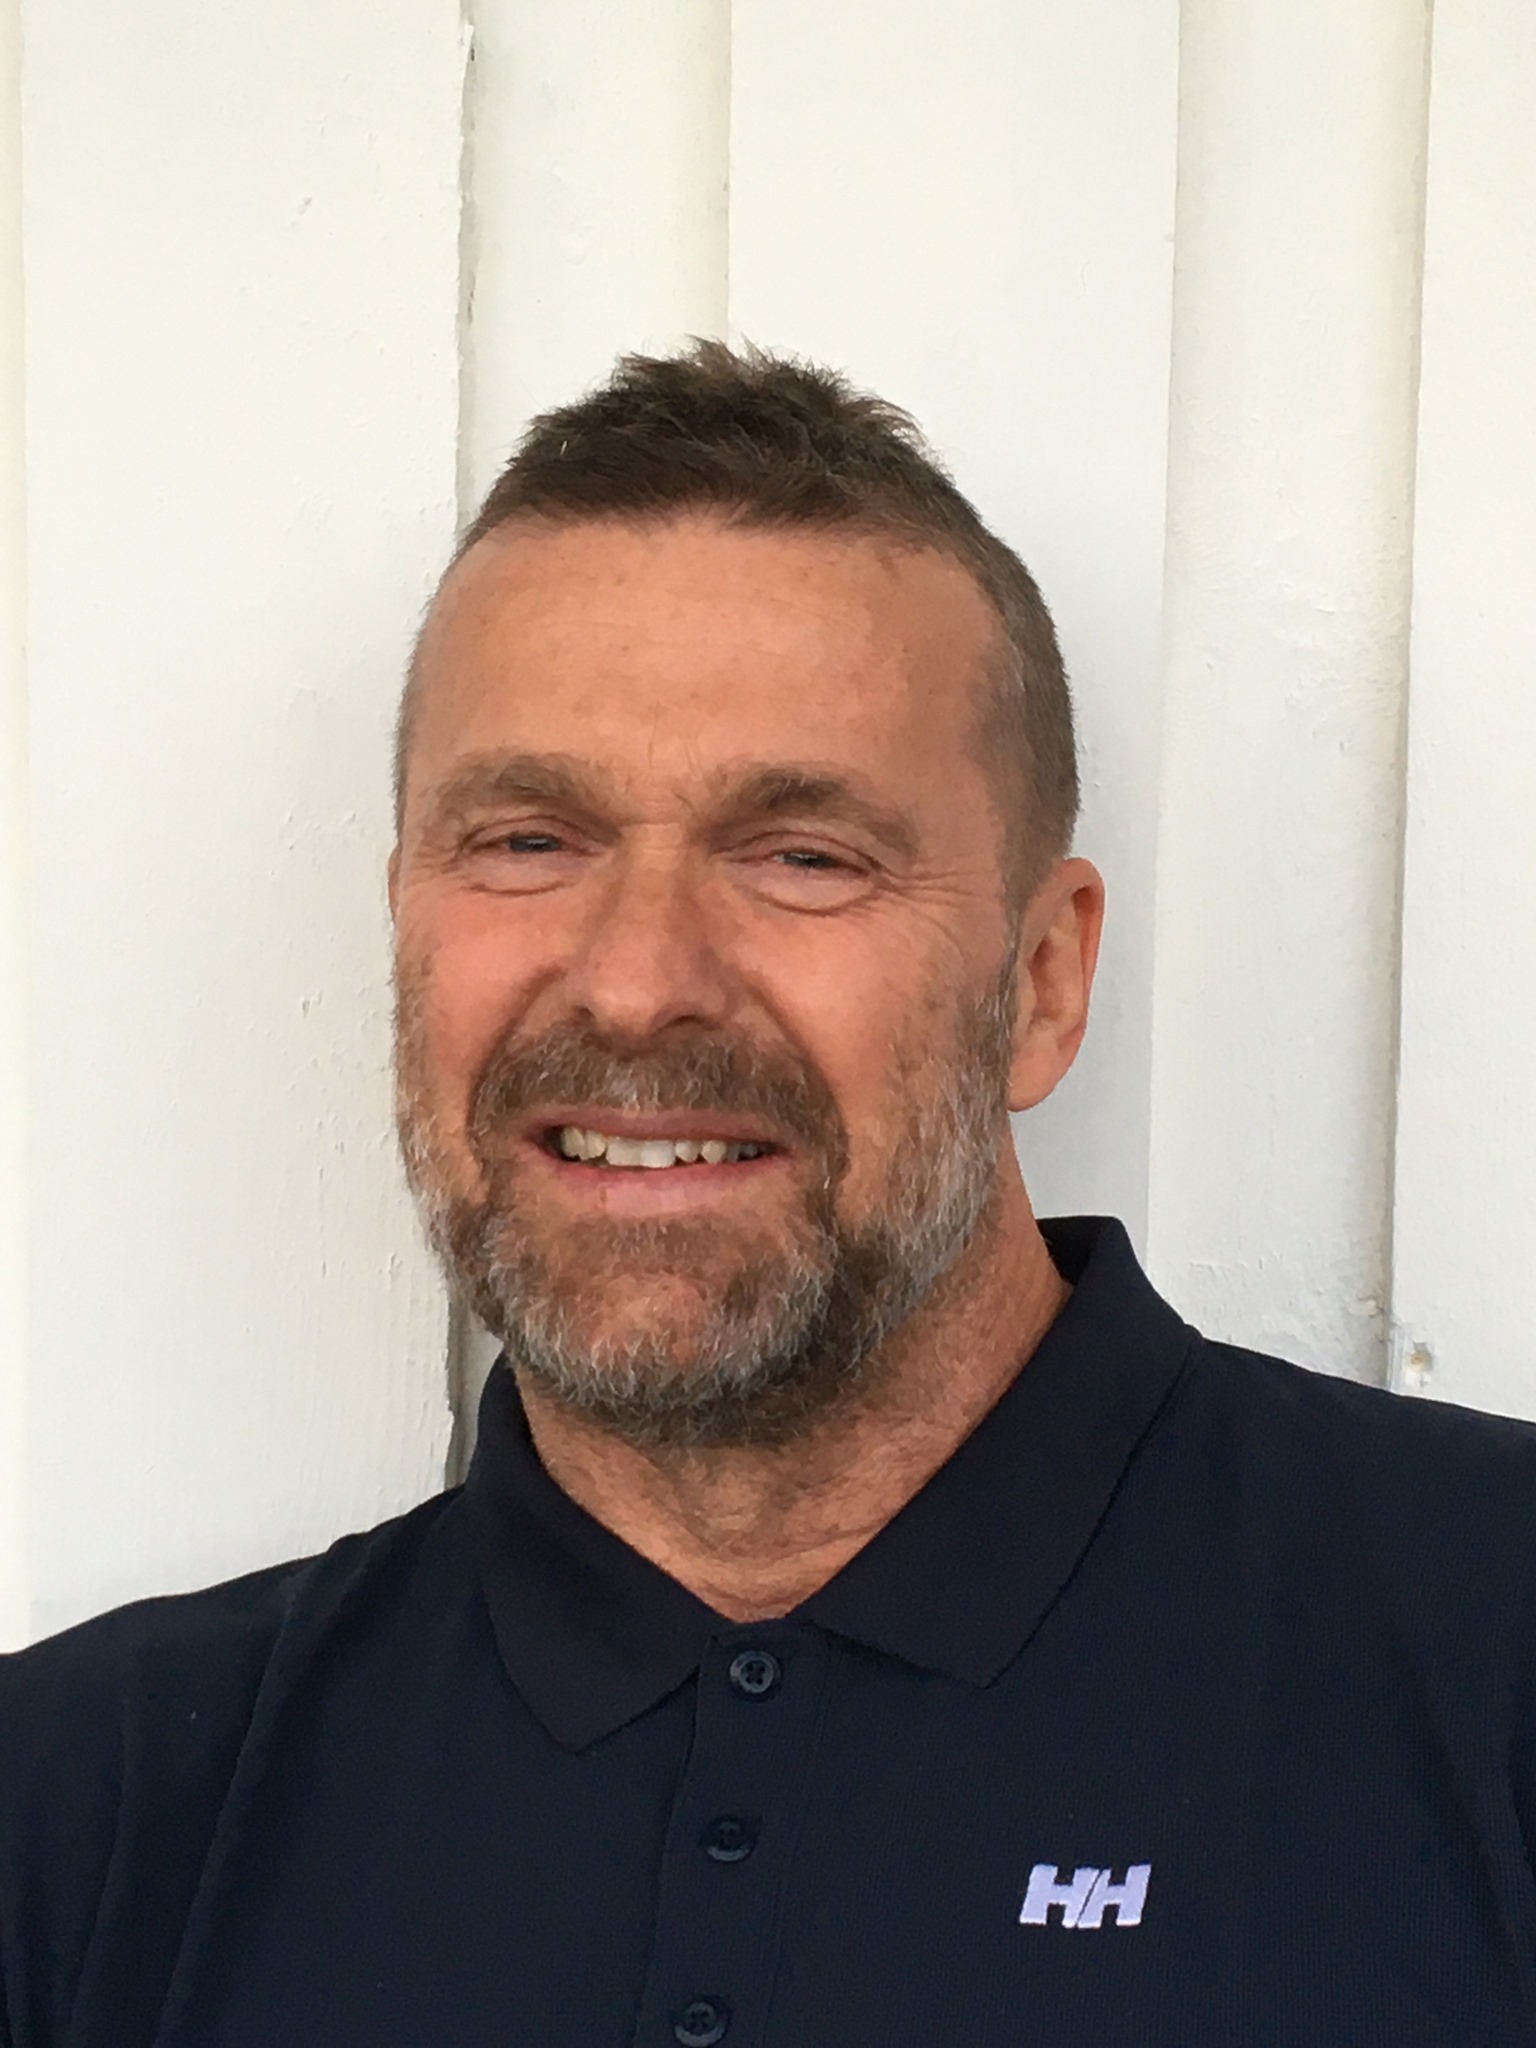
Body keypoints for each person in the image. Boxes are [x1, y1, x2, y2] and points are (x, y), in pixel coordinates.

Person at [2, 344, 1533, 2048]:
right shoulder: (75, 1817)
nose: (636, 982)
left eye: (803, 855)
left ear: (1040, 981)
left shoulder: (1492, 1651)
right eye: (528, 841)